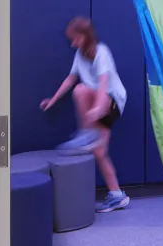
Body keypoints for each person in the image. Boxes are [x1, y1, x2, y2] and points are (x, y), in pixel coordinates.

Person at [40, 17, 130, 213]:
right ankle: (117, 195)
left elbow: (103, 83)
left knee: (81, 90)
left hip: (112, 102)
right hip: (98, 103)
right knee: (99, 152)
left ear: (85, 36)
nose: (73, 44)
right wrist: (53, 100)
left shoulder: (101, 51)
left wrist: (98, 109)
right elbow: (70, 78)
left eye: (75, 39)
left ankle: (86, 133)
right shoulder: (80, 55)